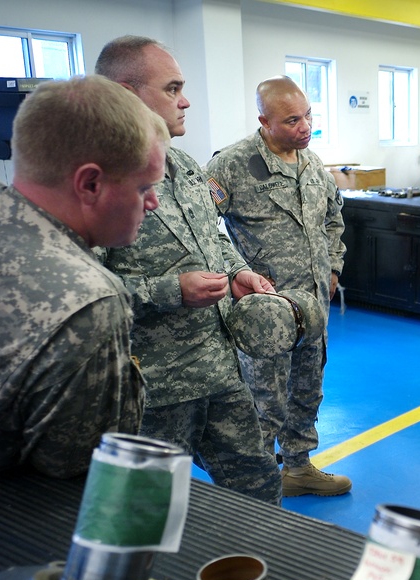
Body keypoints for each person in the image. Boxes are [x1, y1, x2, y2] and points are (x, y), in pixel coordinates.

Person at [95, 36, 282, 505]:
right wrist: (170, 291)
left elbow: (213, 235)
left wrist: (237, 271)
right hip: (153, 388)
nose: (186, 100)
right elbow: (88, 294)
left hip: (219, 369)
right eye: (172, 87)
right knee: (144, 509)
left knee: (260, 485)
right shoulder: (100, 180)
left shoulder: (181, 164)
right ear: (127, 94)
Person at [0, 75, 168, 478]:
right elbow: (76, 481)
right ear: (90, 184)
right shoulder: (89, 303)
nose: (154, 203)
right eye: (144, 186)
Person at [206, 76, 352, 497]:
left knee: (307, 389)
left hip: (313, 309)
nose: (305, 126)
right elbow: (201, 229)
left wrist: (334, 269)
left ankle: (299, 467)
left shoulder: (312, 164)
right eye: (292, 120)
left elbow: (332, 219)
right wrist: (235, 277)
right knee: (261, 400)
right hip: (265, 312)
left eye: (308, 116)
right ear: (264, 121)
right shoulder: (231, 165)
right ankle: (255, 479)